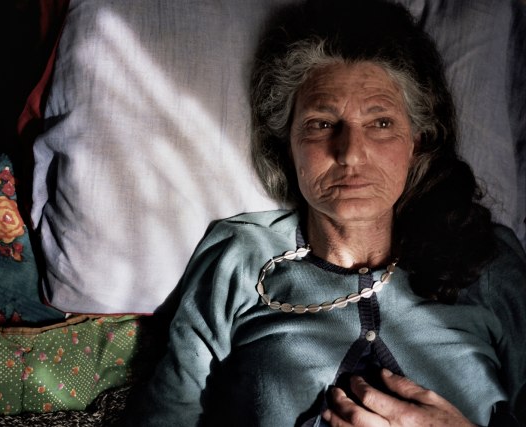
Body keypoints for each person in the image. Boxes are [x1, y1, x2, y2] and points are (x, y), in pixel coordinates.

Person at [126, 0, 526, 425]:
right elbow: (166, 415)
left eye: (381, 123)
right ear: (287, 143)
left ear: (417, 140)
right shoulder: (241, 256)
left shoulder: (485, 257)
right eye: (321, 124)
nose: (350, 153)